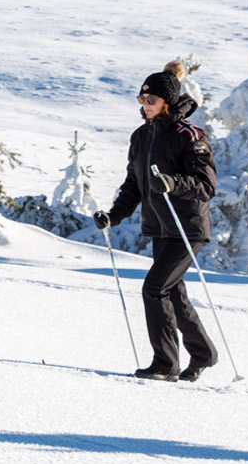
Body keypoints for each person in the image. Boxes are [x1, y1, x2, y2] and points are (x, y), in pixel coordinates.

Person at [92, 60, 219, 382]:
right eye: (141, 100)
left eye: (151, 101)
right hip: (161, 228)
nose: (145, 106)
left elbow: (206, 186)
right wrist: (114, 215)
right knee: (173, 294)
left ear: (167, 102)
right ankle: (204, 354)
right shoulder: (140, 137)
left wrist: (174, 183)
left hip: (187, 228)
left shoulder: (189, 135)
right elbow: (134, 185)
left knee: (154, 289)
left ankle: (165, 364)